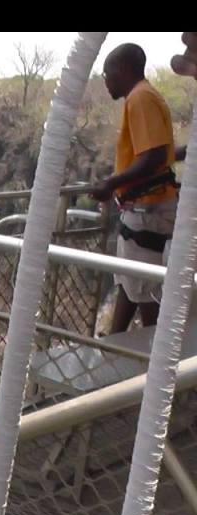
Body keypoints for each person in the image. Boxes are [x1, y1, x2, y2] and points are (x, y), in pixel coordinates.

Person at [90, 44, 182, 333]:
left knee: (147, 294)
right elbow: (161, 152)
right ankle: (113, 346)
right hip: (143, 210)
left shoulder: (140, 98)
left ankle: (155, 366)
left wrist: (110, 183)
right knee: (131, 284)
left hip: (148, 211)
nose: (105, 81)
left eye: (106, 74)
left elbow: (153, 156)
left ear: (122, 70)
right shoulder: (145, 96)